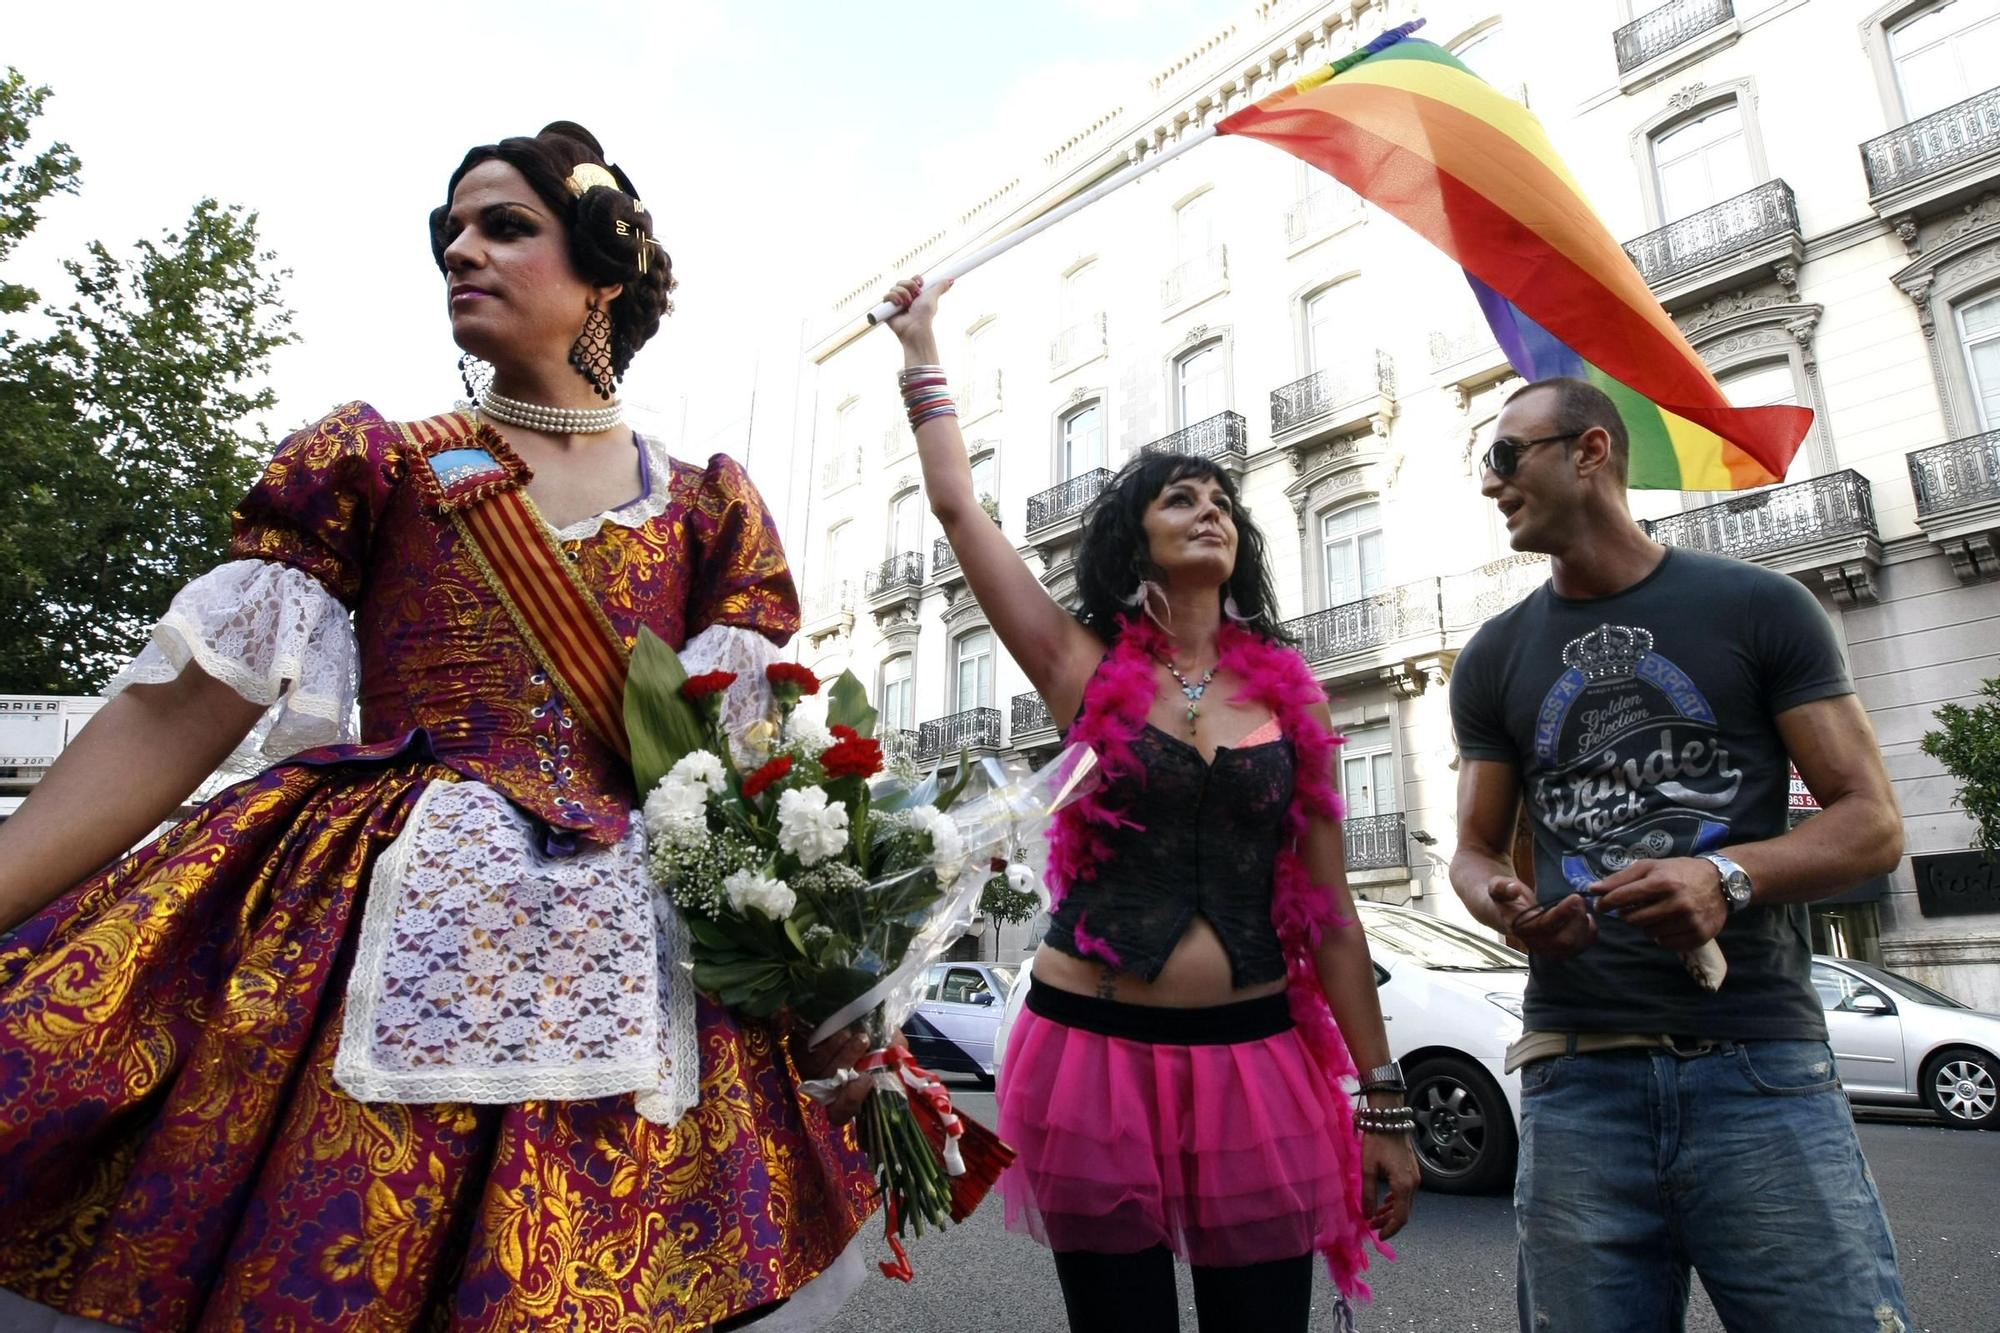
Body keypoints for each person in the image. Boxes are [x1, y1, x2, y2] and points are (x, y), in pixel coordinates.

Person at [0, 122, 876, 1332]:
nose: (461, 249)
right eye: (449, 231)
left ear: (602, 274)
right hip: (373, 907)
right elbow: (179, 714)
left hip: (643, 954)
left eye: (503, 226)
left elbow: (746, 776)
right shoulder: (378, 461)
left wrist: (828, 957)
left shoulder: (706, 506)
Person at [880, 275, 1417, 1333]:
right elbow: (956, 509)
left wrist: (1383, 1100)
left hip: (1255, 1058)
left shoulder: (1286, 693)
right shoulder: (1076, 664)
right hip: (1093, 1056)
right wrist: (918, 350)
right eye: (1180, 498)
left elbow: (1332, 915)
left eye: (1220, 500)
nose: (1207, 509)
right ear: (1133, 539)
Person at [1447, 377, 1914, 1333]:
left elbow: (1870, 821)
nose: (1490, 484)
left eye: (1506, 456)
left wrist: (1728, 875)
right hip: (1577, 1077)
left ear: (1588, 453)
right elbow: (1472, 849)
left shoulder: (1759, 607)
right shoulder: (1492, 656)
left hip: (1757, 1065)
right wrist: (1506, 904)